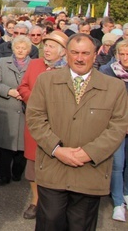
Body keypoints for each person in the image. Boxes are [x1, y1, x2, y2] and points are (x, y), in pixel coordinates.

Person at [27, 33, 128, 230]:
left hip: (90, 172)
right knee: (50, 223)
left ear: (96, 54)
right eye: (74, 52)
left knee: (81, 225)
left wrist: (89, 153)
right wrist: (57, 149)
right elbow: (35, 118)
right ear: (66, 53)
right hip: (53, 169)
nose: (79, 58)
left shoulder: (114, 87)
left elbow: (118, 126)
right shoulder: (46, 81)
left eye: (85, 53)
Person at [17, 29, 69, 220]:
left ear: (63, 51)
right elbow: (22, 87)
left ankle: (53, 203)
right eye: (45, 45)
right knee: (33, 167)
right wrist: (35, 100)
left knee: (55, 167)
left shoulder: (69, 70)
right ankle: (35, 200)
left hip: (58, 127)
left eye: (52, 46)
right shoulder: (35, 64)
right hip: (34, 125)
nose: (46, 49)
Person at [0, 35, 31, 186]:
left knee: (22, 147)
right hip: (6, 109)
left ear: (28, 50)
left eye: (23, 48)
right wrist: (9, 91)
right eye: (17, 47)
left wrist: (26, 94)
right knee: (5, 147)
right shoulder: (3, 62)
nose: (20, 50)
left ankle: (17, 172)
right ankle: (3, 175)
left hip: (25, 109)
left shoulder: (34, 65)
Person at [99, 39, 128, 221]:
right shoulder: (107, 72)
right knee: (117, 164)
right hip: (116, 125)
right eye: (122, 54)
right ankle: (118, 203)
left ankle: (125, 193)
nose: (125, 58)